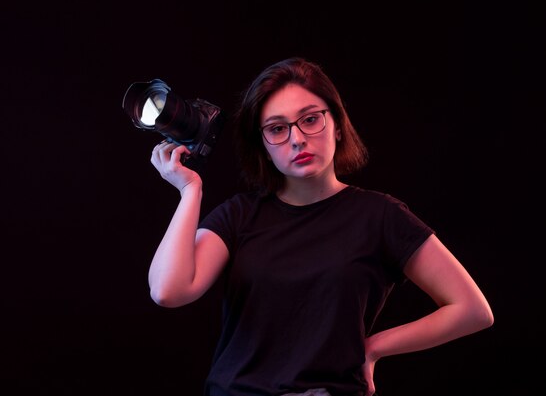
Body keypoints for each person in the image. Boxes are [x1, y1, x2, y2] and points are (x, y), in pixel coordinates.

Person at [147, 57, 494, 396]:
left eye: (310, 120)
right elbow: (169, 290)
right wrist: (190, 190)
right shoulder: (239, 216)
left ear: (338, 125)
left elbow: (472, 309)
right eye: (277, 129)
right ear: (265, 147)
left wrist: (374, 347)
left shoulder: (379, 216)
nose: (297, 139)